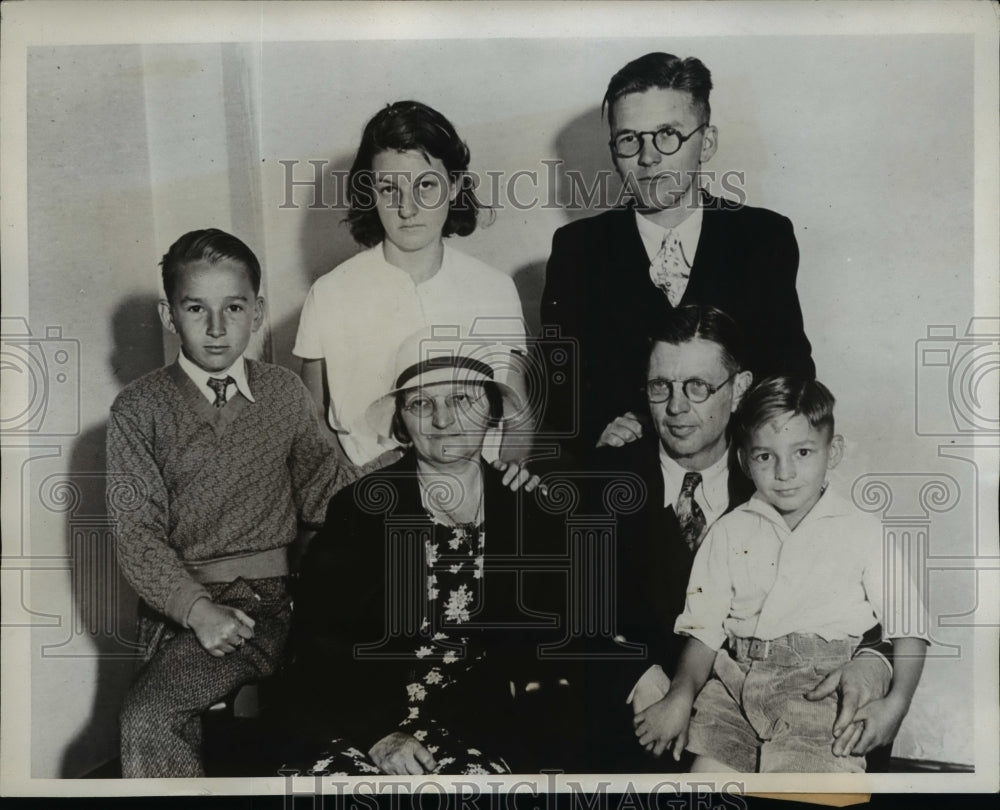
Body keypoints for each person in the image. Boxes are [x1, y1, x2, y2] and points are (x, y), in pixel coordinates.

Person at [108, 229, 373, 777]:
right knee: (155, 719)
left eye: (233, 307)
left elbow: (331, 493)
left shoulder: (283, 393)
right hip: (177, 605)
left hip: (266, 605)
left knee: (150, 717)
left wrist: (414, 469)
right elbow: (136, 535)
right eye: (195, 308)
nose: (216, 327)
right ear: (168, 316)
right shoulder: (137, 408)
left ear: (258, 312)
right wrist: (197, 610)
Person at [581, 306, 892, 772]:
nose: (676, 407)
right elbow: (561, 612)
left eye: (698, 386)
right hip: (650, 722)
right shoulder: (601, 480)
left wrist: (874, 660)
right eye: (660, 386)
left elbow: (869, 599)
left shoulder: (781, 477)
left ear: (740, 388)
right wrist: (634, 673)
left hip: (791, 714)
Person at [281, 329, 573, 775]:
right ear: (401, 422)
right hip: (359, 722)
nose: (443, 419)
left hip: (474, 727)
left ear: (491, 409)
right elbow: (317, 643)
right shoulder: (361, 508)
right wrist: (377, 733)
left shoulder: (526, 508)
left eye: (461, 399)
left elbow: (557, 635)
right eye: (421, 404)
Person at [634, 376, 928, 772]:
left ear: (833, 452)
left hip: (821, 693)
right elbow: (703, 633)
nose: (784, 472)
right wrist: (680, 696)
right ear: (744, 461)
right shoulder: (727, 531)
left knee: (804, 789)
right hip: (735, 688)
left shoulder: (863, 530)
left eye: (803, 452)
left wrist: (897, 704)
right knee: (704, 785)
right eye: (765, 457)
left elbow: (909, 626)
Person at [540, 52, 814, 457]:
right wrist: (600, 426)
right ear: (613, 149)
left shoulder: (762, 238)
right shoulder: (577, 249)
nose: (648, 157)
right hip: (628, 478)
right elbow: (559, 384)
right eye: (629, 139)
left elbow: (790, 373)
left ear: (707, 142)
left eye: (668, 134)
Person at [294, 101, 527, 467]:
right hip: (368, 489)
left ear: (454, 186)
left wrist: (501, 484)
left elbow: (518, 417)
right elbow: (312, 422)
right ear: (370, 193)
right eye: (390, 189)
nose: (407, 208)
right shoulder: (328, 294)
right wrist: (353, 489)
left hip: (479, 485)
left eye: (426, 185)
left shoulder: (496, 289)